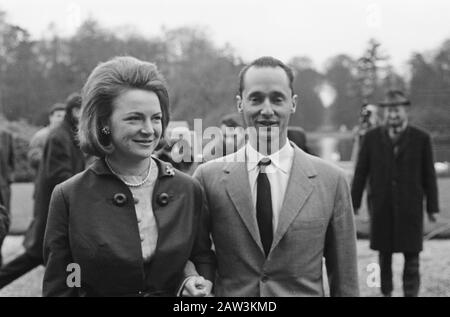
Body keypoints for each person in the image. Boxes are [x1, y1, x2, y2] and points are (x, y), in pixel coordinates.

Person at [42, 56, 214, 297]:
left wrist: (195, 283)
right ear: (104, 124)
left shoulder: (188, 188)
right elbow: (65, 280)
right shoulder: (69, 196)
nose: (149, 129)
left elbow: (201, 257)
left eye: (156, 118)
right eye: (134, 118)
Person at [191, 56, 359, 296]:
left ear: (293, 103)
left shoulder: (331, 180)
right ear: (240, 104)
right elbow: (197, 255)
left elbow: (345, 279)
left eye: (277, 99)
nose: (267, 110)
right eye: (256, 99)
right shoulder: (207, 177)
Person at [351, 90, 439, 297]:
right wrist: (354, 202)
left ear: (405, 110)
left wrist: (432, 208)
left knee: (412, 257)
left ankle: (411, 293)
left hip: (411, 207)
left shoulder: (422, 138)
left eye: (397, 110)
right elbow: (361, 172)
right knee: (384, 256)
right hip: (381, 206)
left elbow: (429, 175)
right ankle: (386, 292)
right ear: (384, 113)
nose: (393, 115)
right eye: (389, 111)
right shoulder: (371, 138)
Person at [0, 93, 85, 289]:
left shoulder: (69, 134)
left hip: (59, 209)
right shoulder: (59, 136)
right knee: (39, 255)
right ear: (76, 111)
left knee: (60, 256)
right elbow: (60, 175)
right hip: (52, 209)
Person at [28, 103, 66, 174]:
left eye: (64, 117)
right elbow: (34, 159)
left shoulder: (69, 136)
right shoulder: (40, 136)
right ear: (51, 117)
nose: (61, 119)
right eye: (58, 116)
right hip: (45, 177)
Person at [0, 129, 14, 266]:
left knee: (4, 220)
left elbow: (11, 160)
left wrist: (9, 178)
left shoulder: (6, 135)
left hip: (3, 187)